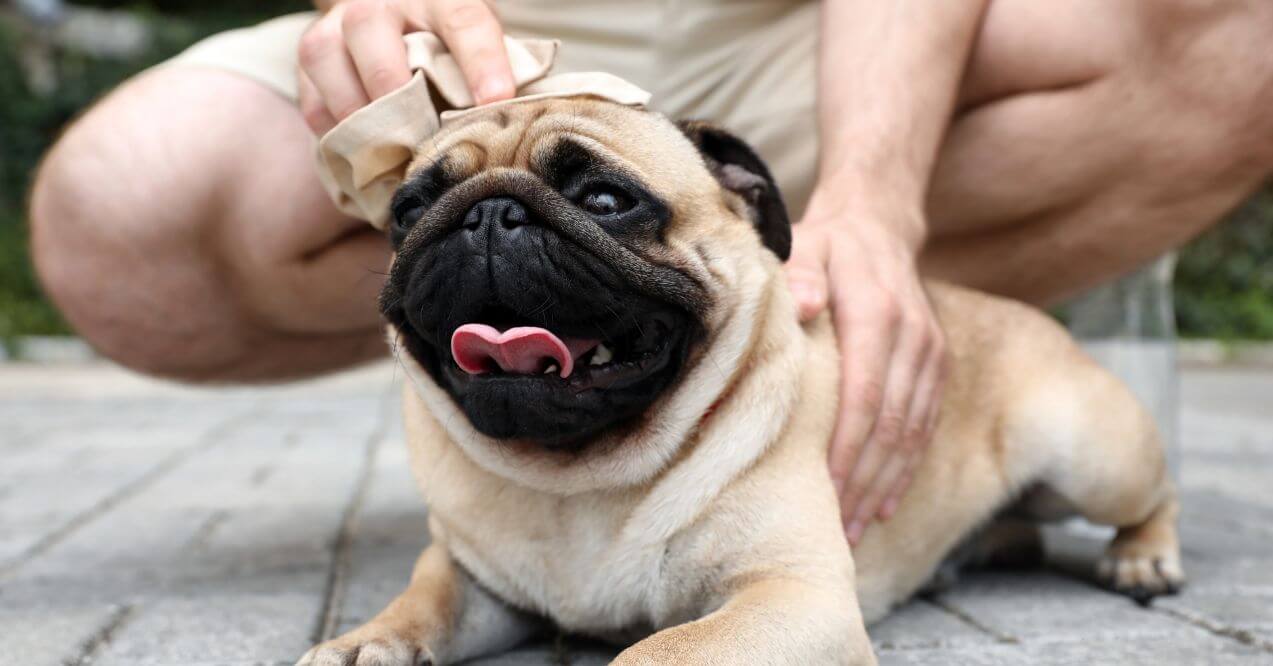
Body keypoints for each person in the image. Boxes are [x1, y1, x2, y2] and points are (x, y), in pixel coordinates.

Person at [28, 0, 1273, 545]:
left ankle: (826, 319)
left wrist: (877, 196)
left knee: (1242, 39)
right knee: (116, 204)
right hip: (485, 50)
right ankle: (538, 329)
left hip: (822, 35)